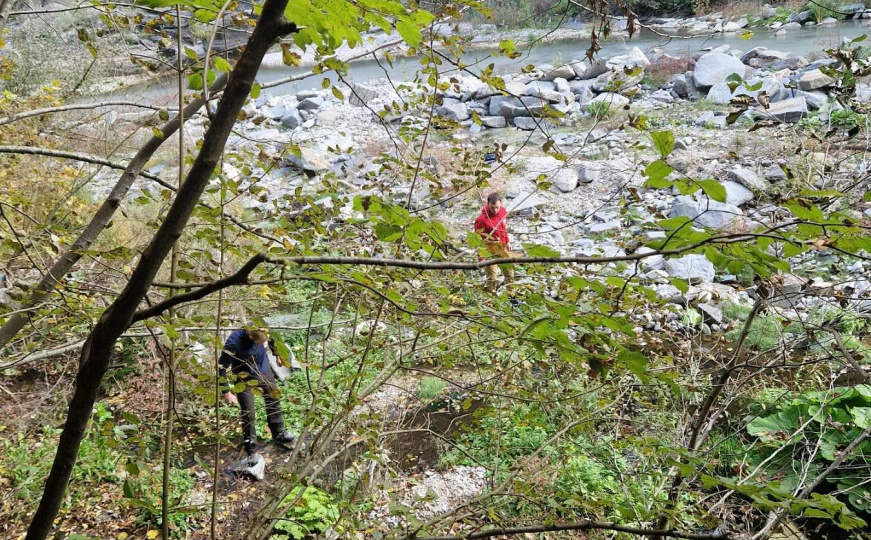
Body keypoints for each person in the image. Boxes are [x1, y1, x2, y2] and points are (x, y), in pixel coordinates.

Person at [219, 328, 295, 460]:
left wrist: (277, 354)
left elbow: (273, 340)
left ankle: (279, 433)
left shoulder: (261, 327)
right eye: (261, 343)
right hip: (244, 377)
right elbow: (221, 367)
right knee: (248, 413)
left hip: (263, 370)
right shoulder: (233, 342)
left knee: (273, 399)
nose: (263, 344)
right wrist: (226, 391)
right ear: (250, 337)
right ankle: (252, 450)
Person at [474, 192, 515, 293]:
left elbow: (503, 228)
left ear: (500, 204)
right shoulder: (481, 220)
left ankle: (512, 295)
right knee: (492, 278)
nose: (495, 210)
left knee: (509, 273)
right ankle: (490, 298)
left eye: (497, 207)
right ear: (488, 204)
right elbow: (478, 240)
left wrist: (507, 241)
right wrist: (481, 258)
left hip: (502, 247)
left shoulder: (502, 211)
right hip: (489, 250)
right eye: (493, 207)